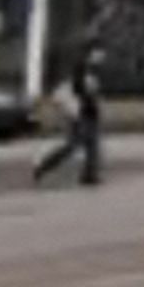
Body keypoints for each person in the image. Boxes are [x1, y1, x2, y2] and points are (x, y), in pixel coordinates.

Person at [34, 42, 104, 187]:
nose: (102, 57)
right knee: (72, 146)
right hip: (81, 113)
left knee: (93, 145)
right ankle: (44, 167)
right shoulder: (82, 68)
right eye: (100, 53)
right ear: (92, 53)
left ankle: (89, 175)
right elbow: (80, 90)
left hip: (89, 112)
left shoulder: (92, 69)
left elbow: (90, 91)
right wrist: (89, 89)